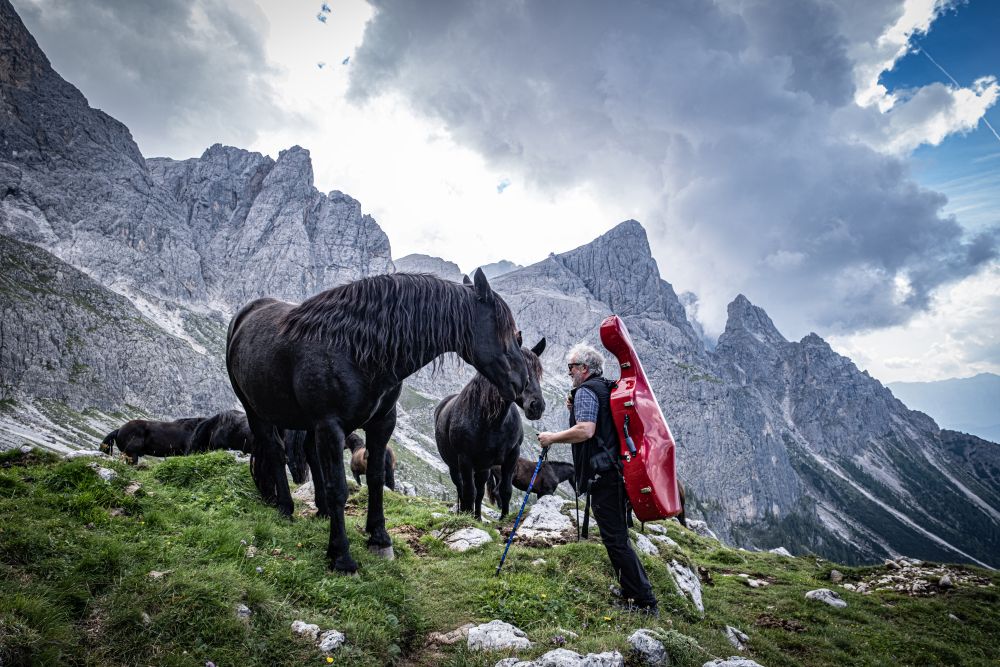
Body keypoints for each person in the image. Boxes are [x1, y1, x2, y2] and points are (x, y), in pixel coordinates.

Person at [538, 343, 658, 615]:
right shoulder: (606, 387)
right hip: (616, 473)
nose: (569, 372)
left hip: (603, 477)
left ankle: (644, 601)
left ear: (584, 368)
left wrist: (551, 438)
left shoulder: (586, 391)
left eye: (571, 367)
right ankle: (631, 592)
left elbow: (586, 430)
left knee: (615, 540)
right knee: (617, 537)